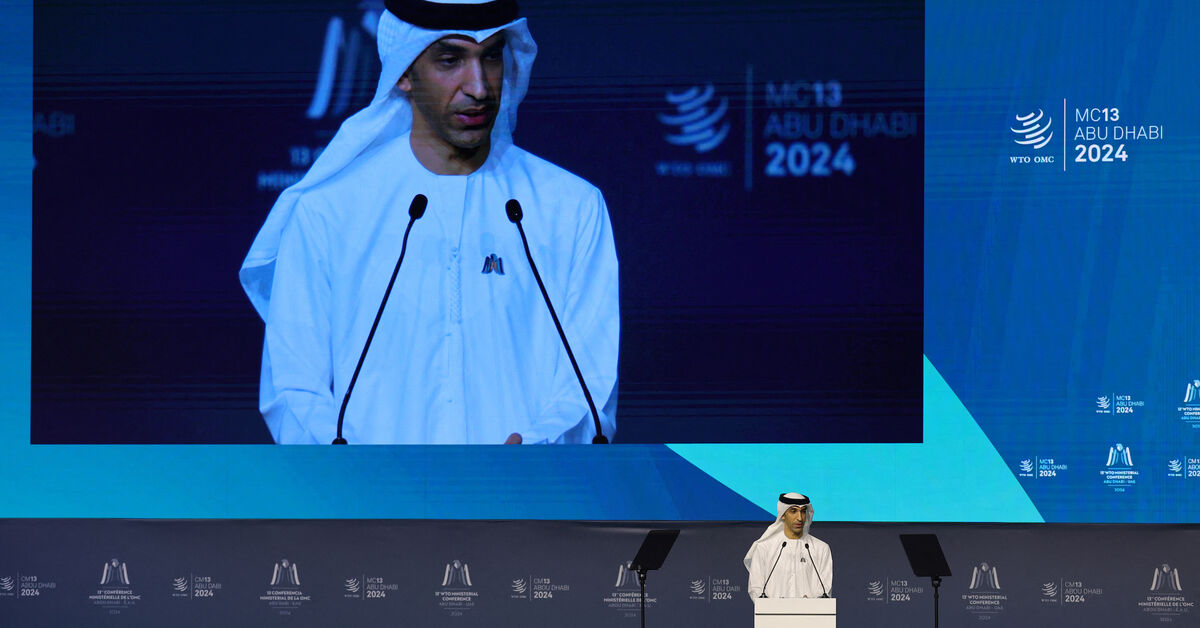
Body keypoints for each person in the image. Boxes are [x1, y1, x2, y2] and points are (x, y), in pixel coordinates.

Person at [239, 0, 619, 444]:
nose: (478, 87)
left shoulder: (570, 207)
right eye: (450, 60)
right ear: (404, 72)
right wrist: (355, 470)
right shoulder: (329, 212)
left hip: (526, 486)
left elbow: (590, 385)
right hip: (367, 488)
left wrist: (537, 454)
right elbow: (295, 389)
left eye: (491, 57)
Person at [745, 493, 833, 599]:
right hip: (774, 610)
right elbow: (756, 589)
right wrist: (776, 605)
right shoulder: (764, 548)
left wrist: (809, 603)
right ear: (783, 514)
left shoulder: (821, 549)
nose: (800, 518)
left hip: (810, 610)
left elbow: (825, 590)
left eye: (803, 511)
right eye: (793, 511)